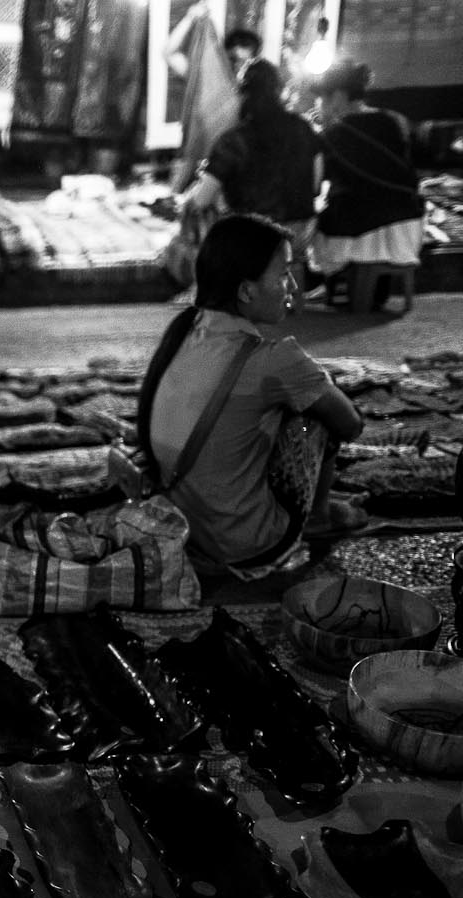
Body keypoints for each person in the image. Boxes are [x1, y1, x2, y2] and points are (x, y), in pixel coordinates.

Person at [139, 215, 364, 580]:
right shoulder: (276, 359)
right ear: (246, 291)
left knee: (276, 406)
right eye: (283, 274)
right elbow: (350, 424)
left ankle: (310, 503)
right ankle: (319, 516)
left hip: (185, 523)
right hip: (247, 543)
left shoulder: (185, 327)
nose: (291, 286)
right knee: (314, 415)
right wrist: (315, 384)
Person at [185, 59, 321, 276]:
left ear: (241, 95)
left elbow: (201, 200)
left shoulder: (234, 140)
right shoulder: (304, 129)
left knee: (195, 209)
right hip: (299, 234)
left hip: (251, 237)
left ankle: (204, 283)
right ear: (280, 91)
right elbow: (315, 187)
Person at [308, 58, 425, 295]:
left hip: (366, 224)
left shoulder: (336, 133)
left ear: (338, 96)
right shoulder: (395, 120)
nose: (319, 105)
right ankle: (367, 289)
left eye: (322, 98)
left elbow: (318, 183)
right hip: (410, 218)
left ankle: (331, 279)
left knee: (319, 218)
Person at [164, 2, 261, 191]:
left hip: (237, 176)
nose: (239, 66)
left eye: (246, 61)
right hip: (199, 169)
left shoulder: (258, 90)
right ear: (224, 57)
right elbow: (169, 53)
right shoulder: (209, 78)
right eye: (234, 60)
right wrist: (189, 19)